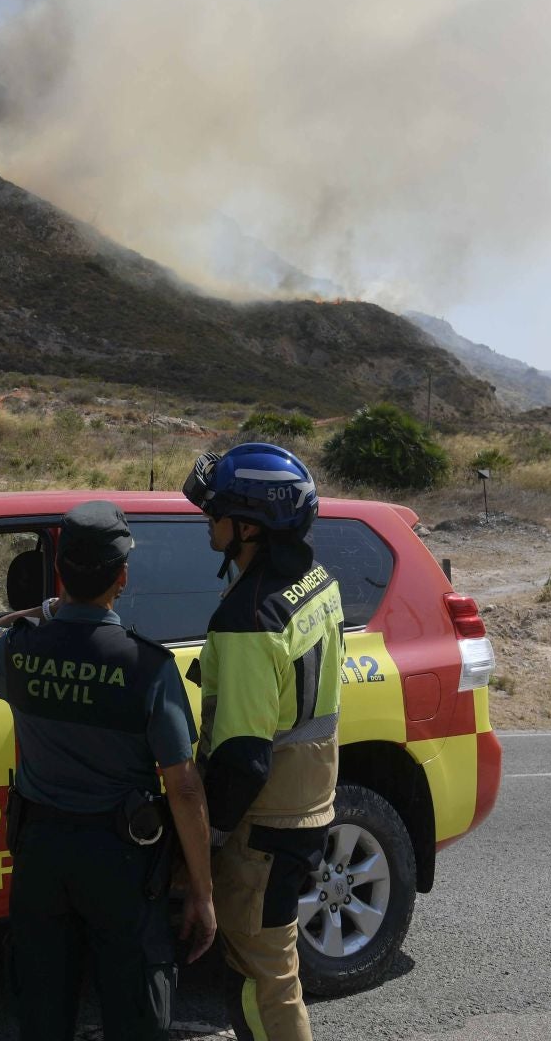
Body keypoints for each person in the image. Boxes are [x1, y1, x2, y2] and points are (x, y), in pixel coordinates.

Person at [0, 500, 217, 1041]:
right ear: (123, 577)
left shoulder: (19, 650)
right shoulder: (148, 666)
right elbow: (182, 785)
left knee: (42, 1009)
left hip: (40, 852)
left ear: (60, 572)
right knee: (135, 1009)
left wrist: (45, 608)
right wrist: (202, 892)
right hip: (122, 861)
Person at [182, 443, 345, 1041]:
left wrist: (207, 836)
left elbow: (245, 757)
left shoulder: (251, 618)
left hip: (264, 822)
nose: (208, 520)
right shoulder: (314, 581)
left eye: (216, 512)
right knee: (278, 967)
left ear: (248, 527)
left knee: (262, 978)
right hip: (307, 807)